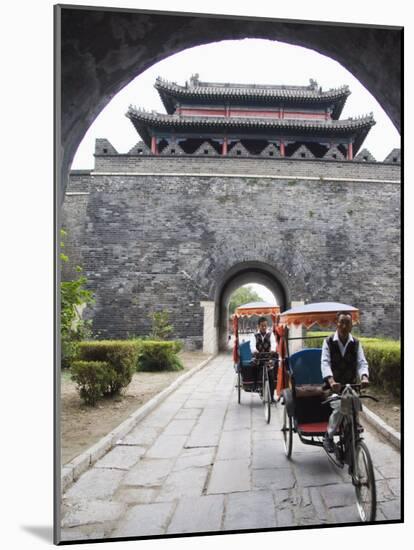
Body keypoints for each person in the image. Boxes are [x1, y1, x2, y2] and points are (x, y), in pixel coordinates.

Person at [321, 310, 370, 453]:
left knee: (353, 402)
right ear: (337, 324)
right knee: (341, 405)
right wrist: (331, 381)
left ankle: (352, 429)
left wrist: (365, 377)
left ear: (351, 326)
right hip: (333, 388)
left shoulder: (356, 343)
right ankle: (328, 436)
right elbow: (325, 363)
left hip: (351, 386)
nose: (343, 325)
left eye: (347, 323)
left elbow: (362, 363)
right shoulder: (328, 342)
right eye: (341, 322)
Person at [251, 317, 278, 402]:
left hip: (268, 357)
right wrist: (255, 351)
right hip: (259, 357)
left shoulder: (270, 334)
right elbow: (252, 345)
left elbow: (273, 343)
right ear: (258, 326)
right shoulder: (254, 335)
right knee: (254, 368)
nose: (264, 327)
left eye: (265, 326)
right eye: (262, 326)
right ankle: (256, 385)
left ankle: (272, 396)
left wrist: (273, 350)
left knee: (271, 375)